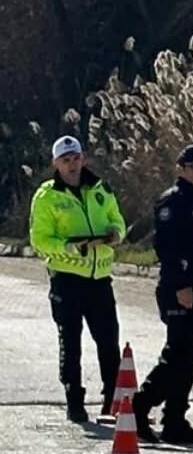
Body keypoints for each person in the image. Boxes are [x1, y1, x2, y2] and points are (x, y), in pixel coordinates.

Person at [28, 136, 127, 425]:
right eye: (65, 160)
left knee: (109, 341)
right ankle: (74, 398)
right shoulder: (47, 196)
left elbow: (118, 219)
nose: (72, 165)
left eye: (76, 158)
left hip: (99, 278)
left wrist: (114, 234)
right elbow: (39, 239)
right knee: (70, 341)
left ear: (83, 159)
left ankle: (112, 398)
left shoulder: (100, 188)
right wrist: (68, 246)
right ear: (55, 164)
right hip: (67, 280)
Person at [132, 144, 193, 445]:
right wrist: (181, 286)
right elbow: (167, 250)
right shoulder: (172, 203)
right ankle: (139, 407)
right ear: (180, 169)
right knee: (176, 355)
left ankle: (175, 421)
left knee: (189, 357)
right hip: (177, 291)